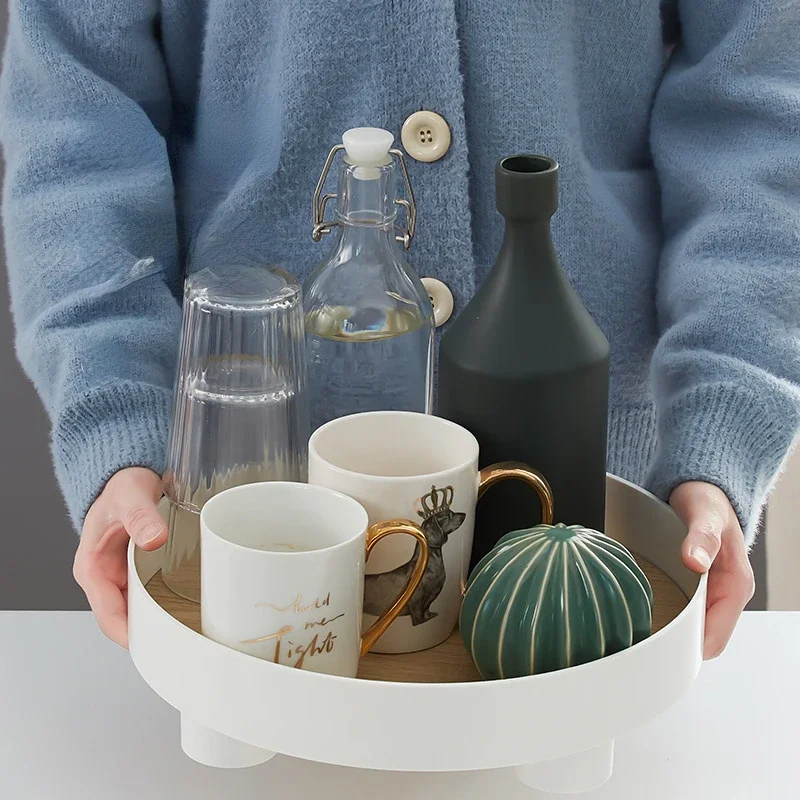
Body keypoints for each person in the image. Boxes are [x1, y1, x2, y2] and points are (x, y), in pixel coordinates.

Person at [2, 2, 797, 657]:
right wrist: (122, 420)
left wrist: (720, 424)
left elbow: (757, 104)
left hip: (591, 519)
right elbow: (77, 112)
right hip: (241, 513)